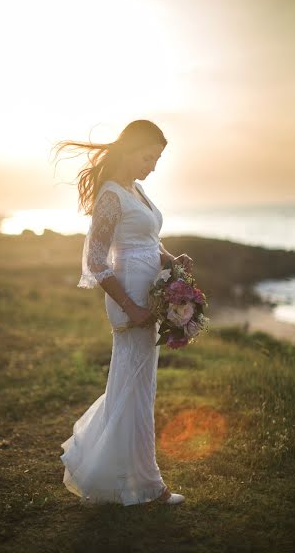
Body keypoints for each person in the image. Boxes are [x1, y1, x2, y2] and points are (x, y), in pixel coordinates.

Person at [52, 119, 193, 506]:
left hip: (150, 294)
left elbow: (147, 239)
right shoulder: (112, 195)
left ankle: (121, 475)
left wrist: (170, 261)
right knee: (134, 387)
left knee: (136, 387)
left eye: (158, 159)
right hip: (131, 297)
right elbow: (97, 261)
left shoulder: (138, 190)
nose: (153, 166)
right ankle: (148, 486)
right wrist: (132, 305)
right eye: (150, 156)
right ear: (131, 150)